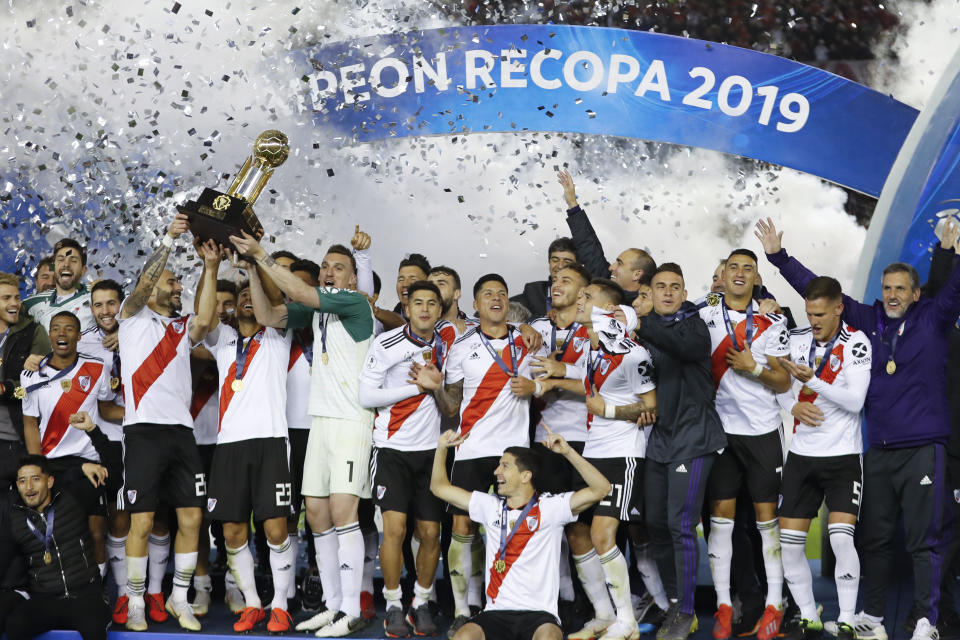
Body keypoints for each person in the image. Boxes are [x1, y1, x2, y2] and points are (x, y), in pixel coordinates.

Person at [757, 217, 960, 640]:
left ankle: (928, 619)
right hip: (880, 449)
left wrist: (949, 253)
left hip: (924, 447)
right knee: (875, 539)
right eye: (887, 288)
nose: (892, 295)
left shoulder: (934, 319)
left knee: (926, 541)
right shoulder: (868, 320)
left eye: (901, 288)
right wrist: (778, 257)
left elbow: (955, 290)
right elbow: (821, 293)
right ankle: (872, 616)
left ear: (916, 294)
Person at [230, 231, 376, 638]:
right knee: (315, 514)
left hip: (351, 421)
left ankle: (352, 608)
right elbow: (269, 317)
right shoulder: (315, 312)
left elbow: (304, 294)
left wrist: (261, 254)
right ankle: (332, 606)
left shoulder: (354, 304)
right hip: (320, 422)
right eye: (325, 265)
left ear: (351, 280)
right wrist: (257, 272)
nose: (330, 272)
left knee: (345, 514)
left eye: (338, 268)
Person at [414, 273, 537, 637]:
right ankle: (462, 610)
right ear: (477, 303)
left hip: (514, 453)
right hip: (472, 449)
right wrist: (436, 388)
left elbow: (551, 378)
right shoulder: (461, 345)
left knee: (513, 529)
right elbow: (452, 404)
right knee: (463, 528)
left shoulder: (528, 339)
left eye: (502, 293)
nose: (496, 298)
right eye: (488, 294)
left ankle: (508, 604)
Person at [116, 215, 219, 632]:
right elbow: (143, 286)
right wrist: (169, 239)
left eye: (179, 284)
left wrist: (211, 268)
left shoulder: (180, 328)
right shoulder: (131, 317)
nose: (178, 289)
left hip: (182, 434)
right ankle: (137, 601)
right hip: (142, 433)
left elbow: (206, 319)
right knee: (141, 521)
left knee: (191, 519)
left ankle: (179, 597)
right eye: (173, 284)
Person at [429, 428, 612, 640]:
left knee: (549, 637)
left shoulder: (551, 508)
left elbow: (602, 488)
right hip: (495, 613)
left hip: (540, 616)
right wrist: (441, 448)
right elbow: (439, 487)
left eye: (504, 466)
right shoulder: (489, 506)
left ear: (526, 475)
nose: (496, 471)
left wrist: (568, 452)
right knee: (463, 637)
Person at [699, 248, 791, 640]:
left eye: (747, 269)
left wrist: (752, 366)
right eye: (732, 267)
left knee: (765, 521)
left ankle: (775, 604)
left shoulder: (773, 321)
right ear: (722, 275)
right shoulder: (702, 314)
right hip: (720, 433)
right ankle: (723, 606)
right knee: (720, 521)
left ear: (756, 278)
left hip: (762, 431)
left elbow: (783, 381)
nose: (739, 273)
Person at [633, 263, 727, 640]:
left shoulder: (693, 325)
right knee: (655, 523)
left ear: (685, 294)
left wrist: (640, 321)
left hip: (694, 437)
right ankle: (675, 599)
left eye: (675, 287)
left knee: (680, 526)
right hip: (660, 440)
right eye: (661, 287)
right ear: (651, 293)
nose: (668, 292)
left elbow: (683, 348)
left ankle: (687, 611)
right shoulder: (644, 331)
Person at [775, 276, 870, 640]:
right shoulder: (796, 339)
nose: (813, 320)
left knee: (841, 539)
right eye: (808, 312)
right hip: (801, 457)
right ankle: (807, 615)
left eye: (819, 314)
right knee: (789, 543)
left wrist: (812, 382)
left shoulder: (856, 344)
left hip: (843, 457)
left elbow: (855, 401)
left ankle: (846, 618)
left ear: (838, 309)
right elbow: (780, 387)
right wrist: (793, 403)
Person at [563, 278, 658, 640]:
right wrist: (554, 380)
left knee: (604, 535)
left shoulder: (634, 353)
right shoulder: (591, 349)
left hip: (623, 454)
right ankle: (604, 615)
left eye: (588, 297)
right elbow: (590, 386)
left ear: (608, 310)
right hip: (592, 451)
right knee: (578, 532)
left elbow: (651, 408)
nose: (579, 299)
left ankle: (627, 621)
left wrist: (609, 409)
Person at [358, 280, 454, 637]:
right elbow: (366, 395)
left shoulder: (447, 343)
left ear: (440, 311)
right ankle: (394, 603)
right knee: (395, 531)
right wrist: (418, 387)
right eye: (418, 303)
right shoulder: (385, 343)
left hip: (431, 452)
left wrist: (438, 387)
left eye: (432, 303)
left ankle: (421, 602)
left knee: (430, 532)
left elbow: (451, 399)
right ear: (407, 308)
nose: (425, 309)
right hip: (391, 451)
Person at [205, 273, 297, 633]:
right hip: (228, 446)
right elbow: (204, 314)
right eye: (241, 294)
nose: (247, 298)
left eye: (252, 294)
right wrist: (211, 266)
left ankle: (281, 605)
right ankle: (253, 603)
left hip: (271, 442)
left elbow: (273, 301)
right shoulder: (223, 337)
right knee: (232, 532)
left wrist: (254, 271)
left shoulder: (278, 334)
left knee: (275, 529)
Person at [20, 311, 123, 572]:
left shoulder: (97, 367)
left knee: (97, 532)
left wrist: (143, 413)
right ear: (50, 334)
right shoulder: (31, 375)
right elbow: (31, 424)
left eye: (68, 329)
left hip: (89, 463)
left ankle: (98, 592)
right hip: (52, 464)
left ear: (79, 335)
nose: (62, 334)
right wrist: (39, 468)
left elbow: (107, 408)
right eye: (56, 328)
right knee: (58, 534)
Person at [526, 263, 594, 619]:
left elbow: (603, 381)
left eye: (566, 281)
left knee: (582, 529)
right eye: (554, 280)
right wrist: (522, 324)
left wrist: (559, 373)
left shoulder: (596, 331)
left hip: (588, 439)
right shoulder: (535, 328)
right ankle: (558, 601)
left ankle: (590, 603)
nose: (556, 285)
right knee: (549, 527)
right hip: (545, 441)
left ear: (584, 293)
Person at [0, 455, 110, 640]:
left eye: (35, 479)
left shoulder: (72, 498)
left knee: (95, 630)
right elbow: (2, 559)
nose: (29, 487)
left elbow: (114, 470)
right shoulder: (15, 518)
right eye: (22, 481)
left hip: (85, 595)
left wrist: (81, 466)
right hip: (45, 598)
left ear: (50, 481)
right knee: (15, 626)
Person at [557, 170, 656, 303]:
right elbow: (589, 247)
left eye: (619, 264)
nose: (611, 267)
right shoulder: (605, 281)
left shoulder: (646, 310)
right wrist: (572, 204)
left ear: (637, 274)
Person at [0, 272, 50, 492]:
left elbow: (39, 388)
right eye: (6, 298)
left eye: (17, 297)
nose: (14, 304)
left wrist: (7, 389)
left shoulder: (34, 333)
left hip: (16, 440)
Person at [22, 239, 95, 332]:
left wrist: (117, 333)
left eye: (73, 260)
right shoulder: (31, 304)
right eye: (60, 259)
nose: (66, 264)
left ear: (83, 270)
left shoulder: (96, 293)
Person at [510, 237, 578, 319]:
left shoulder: (585, 295)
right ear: (549, 262)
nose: (560, 266)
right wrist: (522, 326)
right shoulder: (534, 292)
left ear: (578, 266)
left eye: (567, 261)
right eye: (555, 260)